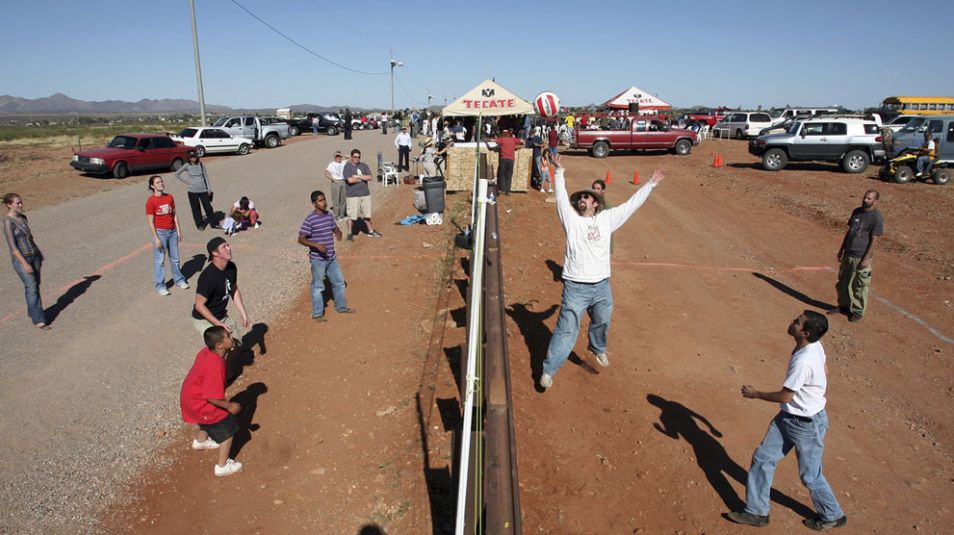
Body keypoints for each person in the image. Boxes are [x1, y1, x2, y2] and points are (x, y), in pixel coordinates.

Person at [539, 156, 664, 390]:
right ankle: (548, 370)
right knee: (566, 331)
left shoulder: (607, 219)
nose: (582, 200)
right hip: (576, 287)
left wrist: (650, 184)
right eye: (580, 198)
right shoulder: (572, 221)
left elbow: (630, 205)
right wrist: (560, 172)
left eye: (586, 197)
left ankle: (597, 348)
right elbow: (560, 199)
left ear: (596, 203)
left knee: (602, 320)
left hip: (601, 286)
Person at [727, 311, 847, 531]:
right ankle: (756, 512)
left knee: (810, 476)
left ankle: (833, 514)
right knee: (763, 458)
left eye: (797, 322)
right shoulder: (814, 346)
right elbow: (825, 370)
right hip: (790, 417)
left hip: (805, 424)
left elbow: (785, 396)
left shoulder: (803, 361)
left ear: (805, 333)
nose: (792, 322)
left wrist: (755, 394)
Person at [179, 325, 244, 477]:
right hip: (200, 403)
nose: (231, 336)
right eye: (228, 336)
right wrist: (229, 405)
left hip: (190, 398)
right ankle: (222, 466)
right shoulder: (216, 365)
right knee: (228, 427)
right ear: (219, 345)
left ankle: (201, 442)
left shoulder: (206, 352)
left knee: (207, 420)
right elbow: (211, 397)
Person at [298, 190, 355, 321]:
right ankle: (317, 314)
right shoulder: (310, 220)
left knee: (339, 282)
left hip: (331, 257)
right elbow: (301, 239)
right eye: (320, 200)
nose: (324, 203)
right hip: (318, 260)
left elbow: (334, 228)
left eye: (324, 200)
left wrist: (339, 232)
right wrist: (316, 246)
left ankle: (341, 307)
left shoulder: (329, 216)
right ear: (314, 204)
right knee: (318, 287)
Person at [829, 190, 884, 323]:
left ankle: (858, 311)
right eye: (865, 197)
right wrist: (841, 249)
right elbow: (849, 232)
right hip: (848, 253)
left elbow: (874, 240)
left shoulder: (876, 217)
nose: (865, 200)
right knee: (843, 282)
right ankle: (843, 306)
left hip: (860, 256)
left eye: (869, 198)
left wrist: (866, 258)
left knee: (859, 285)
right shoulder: (857, 212)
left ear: (875, 201)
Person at [3, 192, 49, 329]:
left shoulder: (23, 218)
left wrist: (39, 255)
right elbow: (13, 247)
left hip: (34, 256)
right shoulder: (7, 222)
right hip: (22, 259)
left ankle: (33, 311)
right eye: (17, 203)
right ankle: (39, 320)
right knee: (32, 288)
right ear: (9, 205)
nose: (21, 205)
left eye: (21, 202)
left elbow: (30, 238)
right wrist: (24, 263)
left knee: (35, 285)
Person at [192, 237, 250, 345]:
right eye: (224, 247)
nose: (229, 248)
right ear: (215, 253)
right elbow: (199, 306)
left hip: (220, 315)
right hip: (204, 319)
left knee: (236, 343)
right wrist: (218, 324)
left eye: (228, 245)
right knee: (220, 346)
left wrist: (243, 312)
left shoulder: (231, 267)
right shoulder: (208, 277)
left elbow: (233, 289)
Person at [145, 176, 188, 295]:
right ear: (152, 186)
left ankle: (179, 280)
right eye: (157, 182)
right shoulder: (151, 201)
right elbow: (150, 221)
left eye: (161, 181)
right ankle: (160, 286)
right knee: (159, 261)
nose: (161, 184)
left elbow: (174, 215)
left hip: (172, 232)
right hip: (160, 233)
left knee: (175, 259)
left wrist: (178, 231)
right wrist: (156, 238)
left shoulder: (169, 197)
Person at [342, 149, 382, 240]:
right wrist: (363, 178)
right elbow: (350, 180)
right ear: (351, 157)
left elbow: (370, 177)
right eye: (355, 157)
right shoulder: (347, 167)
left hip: (365, 194)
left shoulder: (364, 165)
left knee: (367, 214)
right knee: (352, 216)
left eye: (358, 157)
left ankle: (370, 231)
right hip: (353, 195)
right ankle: (349, 233)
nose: (357, 158)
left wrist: (358, 176)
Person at [175, 151, 217, 231]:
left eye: (194, 156)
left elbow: (206, 176)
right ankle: (200, 224)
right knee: (196, 208)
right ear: (189, 158)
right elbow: (177, 174)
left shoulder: (201, 164)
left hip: (203, 190)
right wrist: (188, 182)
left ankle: (214, 223)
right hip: (192, 191)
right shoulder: (187, 165)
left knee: (208, 207)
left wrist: (209, 189)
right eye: (191, 157)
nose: (193, 158)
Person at [494, 129, 524, 195]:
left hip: (504, 158)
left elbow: (495, 141)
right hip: (511, 159)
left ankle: (503, 189)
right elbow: (522, 141)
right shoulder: (513, 139)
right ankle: (508, 190)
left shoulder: (502, 139)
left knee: (502, 174)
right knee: (509, 175)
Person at [325, 151, 348, 220]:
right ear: (334, 157)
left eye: (339, 156)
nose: (338, 157)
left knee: (343, 199)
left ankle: (342, 214)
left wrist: (342, 154)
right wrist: (333, 179)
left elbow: (350, 157)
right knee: (336, 199)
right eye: (337, 156)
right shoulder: (331, 164)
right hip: (336, 182)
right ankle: (336, 216)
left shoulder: (343, 162)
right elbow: (326, 173)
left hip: (343, 181)